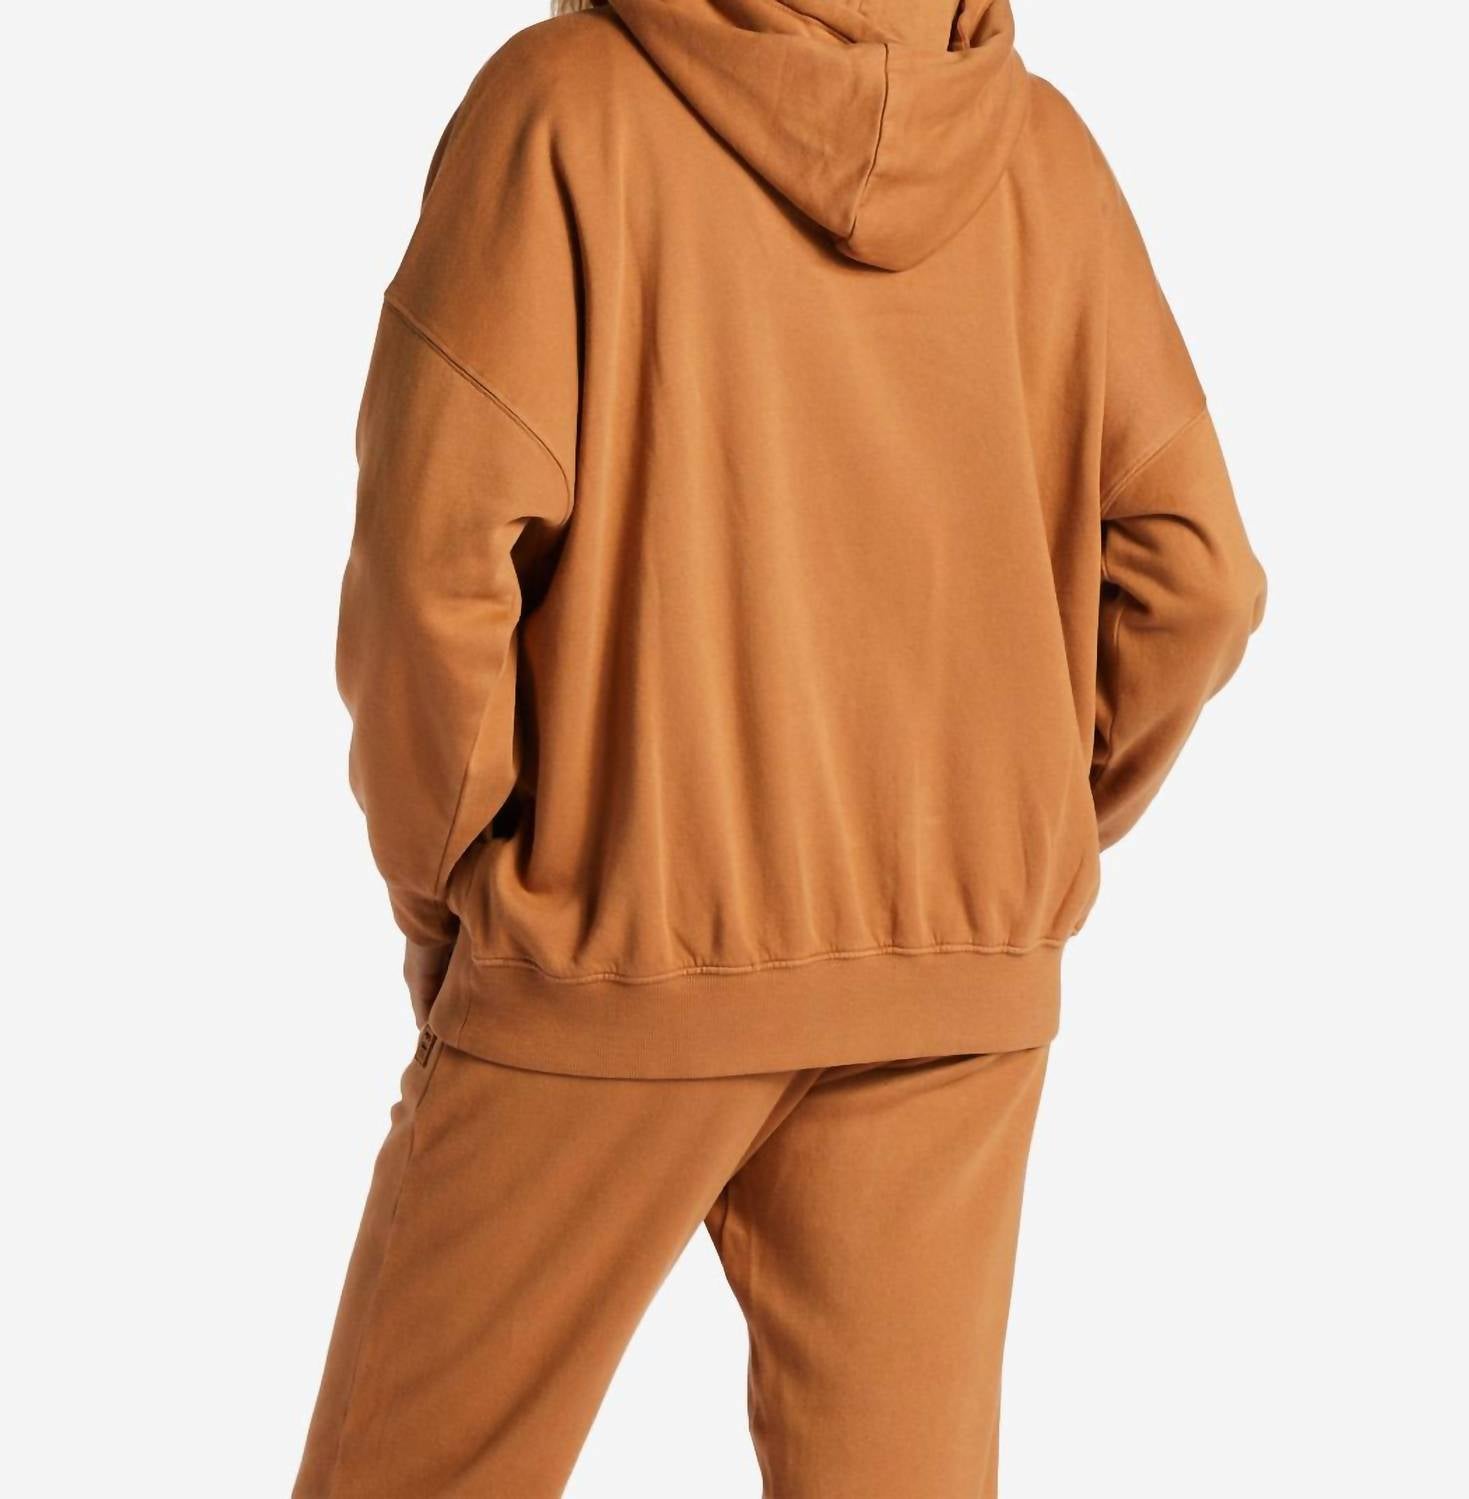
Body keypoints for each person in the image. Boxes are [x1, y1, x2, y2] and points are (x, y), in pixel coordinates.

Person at [294, 0, 1266, 1492]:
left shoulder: (562, 112)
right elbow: (1196, 580)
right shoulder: (1038, 151)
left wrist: (447, 893)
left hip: (613, 951)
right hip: (950, 993)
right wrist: (1008, 831)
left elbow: (434, 566)